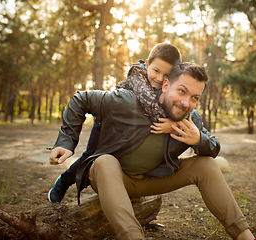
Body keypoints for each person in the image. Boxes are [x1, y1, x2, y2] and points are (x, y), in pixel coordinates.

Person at [49, 63, 256, 240]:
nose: (186, 103)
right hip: (111, 177)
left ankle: (245, 237)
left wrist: (198, 140)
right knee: (104, 161)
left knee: (206, 164)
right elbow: (81, 99)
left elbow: (214, 146)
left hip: (150, 181)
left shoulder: (191, 120)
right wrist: (66, 142)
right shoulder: (127, 101)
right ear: (166, 84)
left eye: (195, 97)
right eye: (182, 91)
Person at [48, 42, 182, 203]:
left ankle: (125, 189)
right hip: (110, 122)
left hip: (134, 128)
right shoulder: (138, 77)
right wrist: (174, 123)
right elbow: (152, 107)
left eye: (166, 75)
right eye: (156, 71)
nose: (160, 78)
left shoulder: (170, 88)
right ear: (147, 64)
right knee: (91, 156)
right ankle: (63, 182)